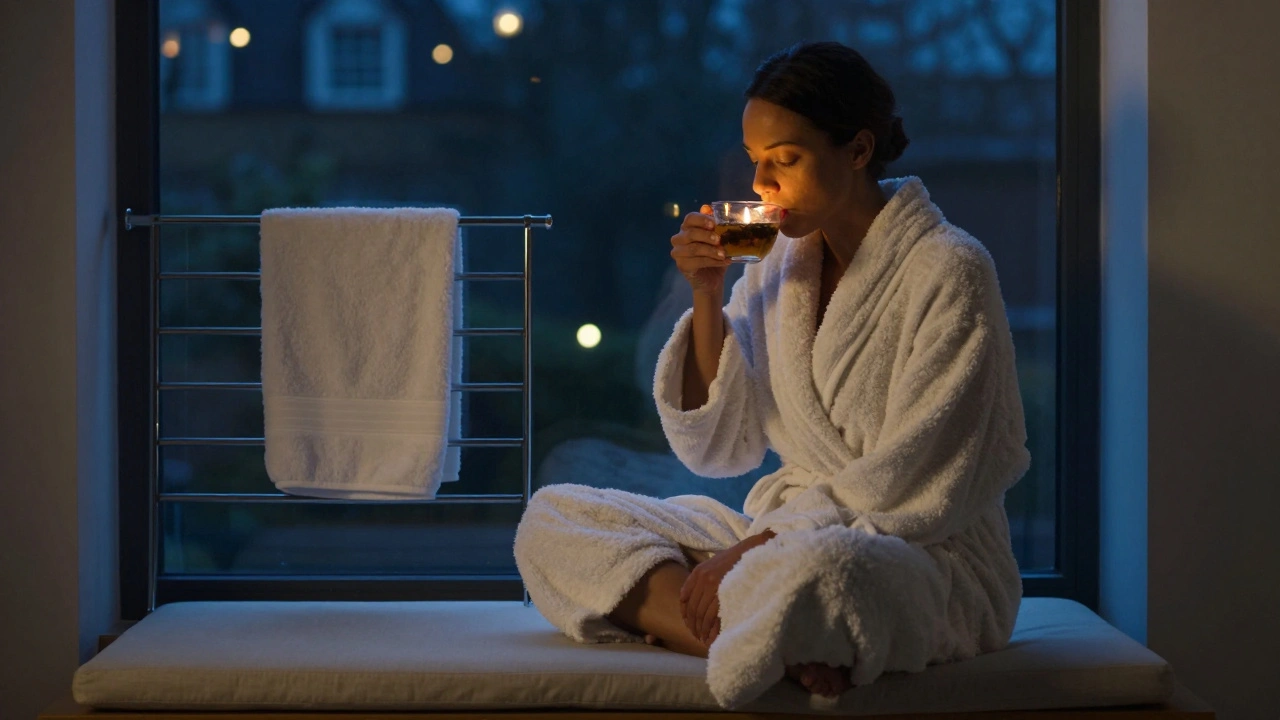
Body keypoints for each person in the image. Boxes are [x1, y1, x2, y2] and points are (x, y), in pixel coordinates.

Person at [514, 41, 1030, 704]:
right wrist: (705, 292)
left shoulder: (950, 270)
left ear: (858, 150)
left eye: (784, 159)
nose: (762, 184)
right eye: (756, 161)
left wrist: (755, 549)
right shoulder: (778, 265)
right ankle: (770, 642)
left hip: (921, 551)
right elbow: (718, 444)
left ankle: (731, 619)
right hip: (784, 535)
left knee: (831, 572)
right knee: (555, 518)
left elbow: (918, 484)